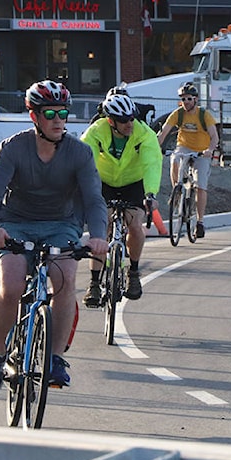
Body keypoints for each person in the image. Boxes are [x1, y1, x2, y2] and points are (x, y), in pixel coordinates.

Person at [0, 80, 109, 395]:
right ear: (34, 116)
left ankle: (56, 358)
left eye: (63, 112)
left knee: (63, 279)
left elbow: (93, 199)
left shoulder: (80, 153)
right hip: (15, 224)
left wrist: (98, 236)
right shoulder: (13, 148)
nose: (58, 119)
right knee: (11, 285)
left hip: (61, 225)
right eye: (50, 113)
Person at [79, 92, 163, 307]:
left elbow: (151, 164)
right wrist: (82, 190)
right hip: (104, 181)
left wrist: (150, 194)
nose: (130, 124)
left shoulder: (144, 133)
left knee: (135, 225)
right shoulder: (97, 131)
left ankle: (133, 273)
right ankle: (95, 283)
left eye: (132, 118)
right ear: (111, 121)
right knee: (102, 226)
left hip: (134, 183)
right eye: (124, 121)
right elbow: (83, 160)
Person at [156, 82, 218, 239]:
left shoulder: (204, 115)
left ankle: (200, 222)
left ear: (196, 100)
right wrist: (156, 147)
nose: (186, 102)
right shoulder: (178, 114)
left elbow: (214, 136)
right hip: (183, 147)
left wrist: (209, 150)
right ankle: (177, 190)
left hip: (201, 151)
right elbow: (163, 133)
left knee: (200, 186)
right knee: (174, 159)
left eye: (189, 99)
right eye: (183, 99)